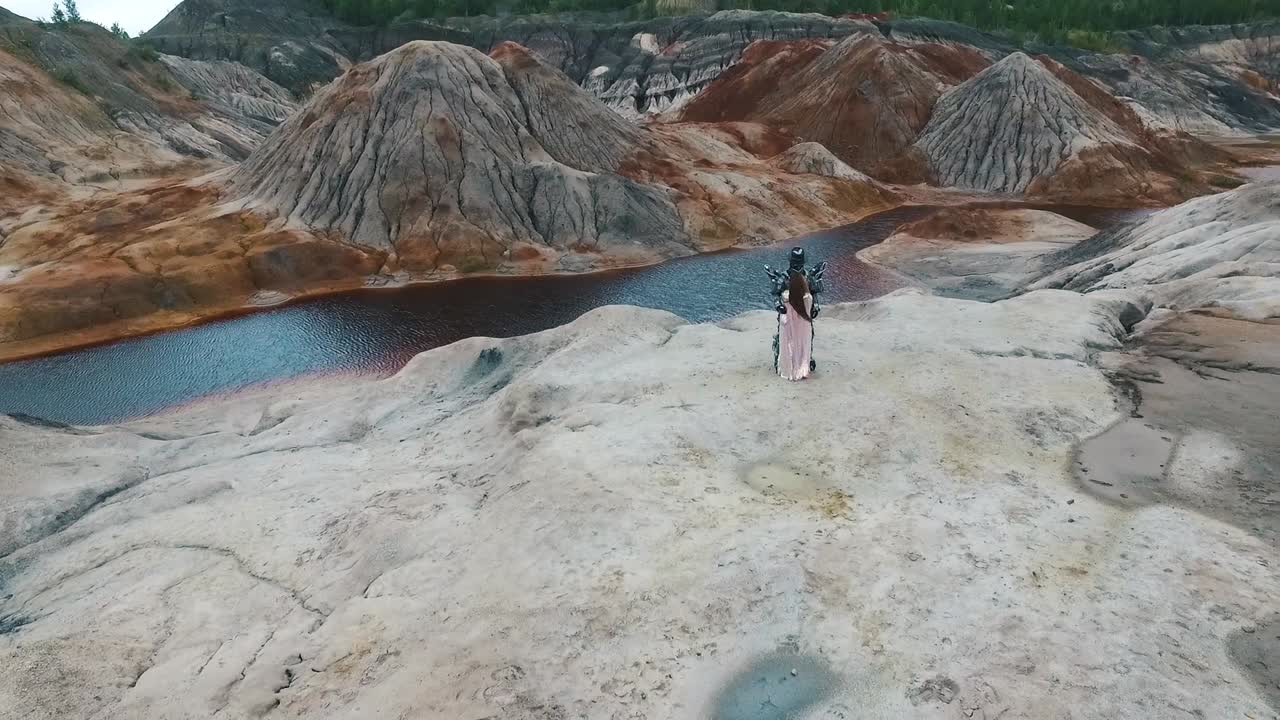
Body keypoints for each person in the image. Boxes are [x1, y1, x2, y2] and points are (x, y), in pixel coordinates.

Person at [766, 248, 827, 381]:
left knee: (806, 338)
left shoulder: (808, 277)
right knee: (785, 339)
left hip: (804, 314)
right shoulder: (784, 277)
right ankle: (783, 363)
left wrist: (815, 305)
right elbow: (776, 294)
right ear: (790, 262)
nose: (797, 266)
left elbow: (814, 292)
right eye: (795, 263)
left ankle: (805, 362)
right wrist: (778, 305)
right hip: (788, 314)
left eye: (799, 263)